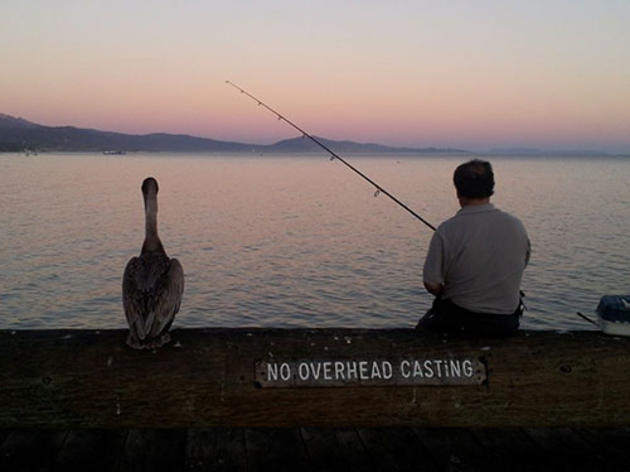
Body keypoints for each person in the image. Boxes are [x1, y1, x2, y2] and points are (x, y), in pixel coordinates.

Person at [417, 159, 530, 336]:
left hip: (462, 322)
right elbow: (522, 264)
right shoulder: (516, 226)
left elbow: (431, 283)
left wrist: (450, 290)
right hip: (506, 322)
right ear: (491, 187)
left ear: (457, 190)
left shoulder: (447, 229)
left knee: (423, 331)